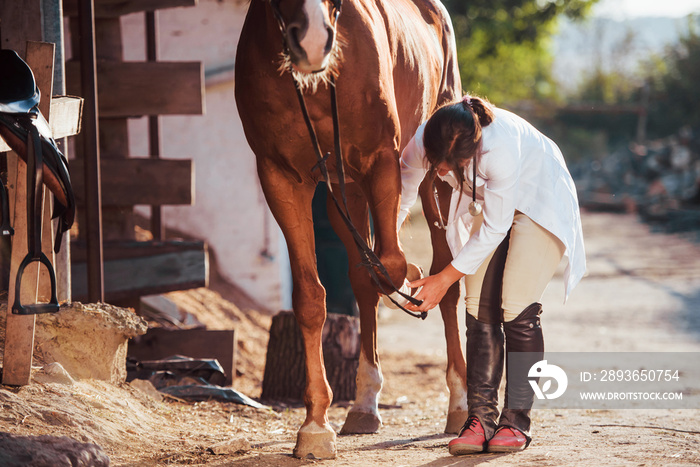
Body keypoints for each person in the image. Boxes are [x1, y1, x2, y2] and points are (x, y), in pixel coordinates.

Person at [398, 95, 586, 454]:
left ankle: (516, 421)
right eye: (436, 164)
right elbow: (402, 196)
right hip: (495, 205)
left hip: (539, 201)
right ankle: (480, 418)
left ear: (474, 152)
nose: (440, 172)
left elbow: (495, 227)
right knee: (477, 302)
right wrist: (391, 253)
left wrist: (441, 280)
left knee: (515, 304)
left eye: (450, 166)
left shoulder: (497, 149)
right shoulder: (425, 139)